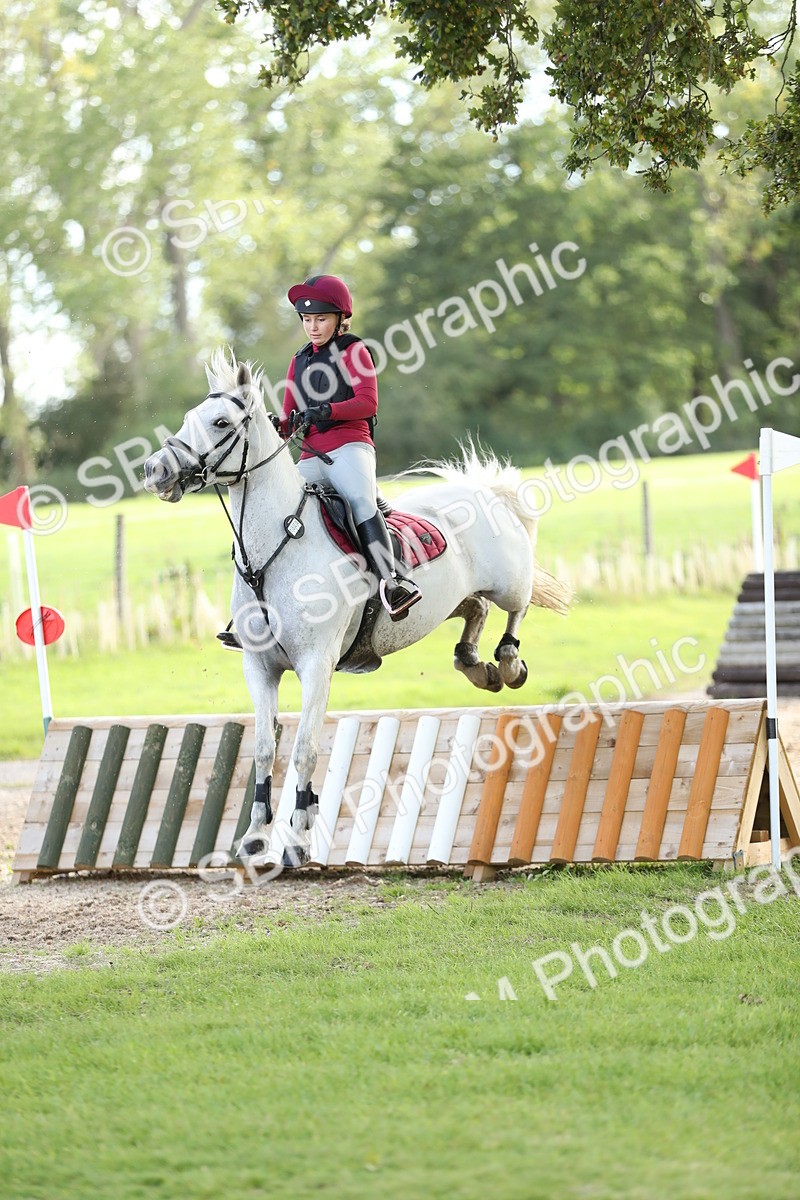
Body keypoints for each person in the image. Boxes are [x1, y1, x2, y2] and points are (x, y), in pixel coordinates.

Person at [278, 273, 422, 621]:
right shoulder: (298, 361)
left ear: (341, 319)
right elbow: (287, 420)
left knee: (360, 499)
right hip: (311, 455)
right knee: (281, 509)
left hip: (349, 446)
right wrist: (275, 427)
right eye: (307, 320)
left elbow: (367, 403)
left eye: (321, 319)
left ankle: (392, 582)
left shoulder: (354, 350)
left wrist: (328, 410)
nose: (313, 327)